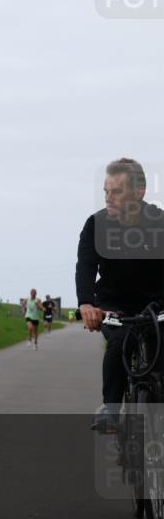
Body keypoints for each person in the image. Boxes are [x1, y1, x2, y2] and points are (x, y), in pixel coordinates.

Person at [76, 158, 164, 432]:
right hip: (114, 306)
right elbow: (86, 266)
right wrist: (87, 303)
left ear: (139, 192)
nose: (109, 198)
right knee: (119, 344)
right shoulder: (96, 225)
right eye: (106, 191)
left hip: (157, 306)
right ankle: (110, 410)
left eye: (116, 191)